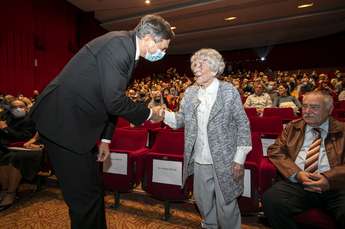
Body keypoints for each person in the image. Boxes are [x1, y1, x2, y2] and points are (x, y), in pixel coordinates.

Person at [29, 14, 174, 229]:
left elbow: (107, 100)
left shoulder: (126, 49)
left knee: (93, 190)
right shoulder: (118, 46)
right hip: (63, 123)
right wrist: (150, 114)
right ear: (149, 38)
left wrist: (106, 139)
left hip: (78, 127)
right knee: (83, 197)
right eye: (162, 47)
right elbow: (114, 101)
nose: (162, 53)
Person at [162, 48, 252, 229]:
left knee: (226, 202)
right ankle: (209, 225)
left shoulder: (228, 91)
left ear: (214, 68)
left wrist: (239, 159)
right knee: (203, 201)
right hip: (200, 158)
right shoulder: (190, 92)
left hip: (226, 159)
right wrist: (161, 114)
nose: (195, 68)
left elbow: (243, 125)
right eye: (194, 64)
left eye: (200, 64)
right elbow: (181, 120)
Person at [263, 91, 345, 229]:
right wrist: (297, 174)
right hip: (299, 183)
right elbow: (275, 150)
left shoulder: (343, 130)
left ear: (329, 109)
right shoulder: (292, 127)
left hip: (337, 186)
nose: (307, 111)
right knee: (271, 200)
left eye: (314, 107)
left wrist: (329, 178)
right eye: (305, 106)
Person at [0, 99, 37, 211]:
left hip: (27, 147)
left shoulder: (29, 120)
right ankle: (5, 190)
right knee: (4, 156)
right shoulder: (8, 118)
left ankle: (11, 192)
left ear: (26, 108)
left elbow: (24, 137)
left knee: (15, 158)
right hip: (9, 147)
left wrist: (6, 129)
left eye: (21, 106)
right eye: (14, 107)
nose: (18, 109)